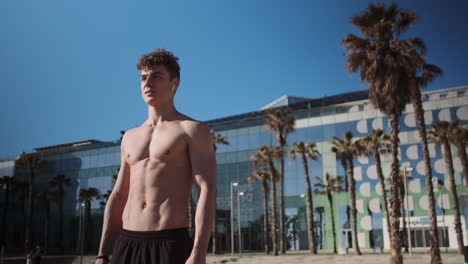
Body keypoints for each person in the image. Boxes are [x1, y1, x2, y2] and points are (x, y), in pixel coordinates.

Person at [95, 48, 217, 264]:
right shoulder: (130, 137)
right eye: (143, 77)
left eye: (156, 76)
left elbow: (206, 190)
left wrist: (198, 253)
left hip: (169, 243)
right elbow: (118, 196)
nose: (147, 83)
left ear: (174, 83)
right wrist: (102, 253)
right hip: (126, 243)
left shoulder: (192, 130)